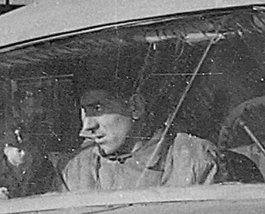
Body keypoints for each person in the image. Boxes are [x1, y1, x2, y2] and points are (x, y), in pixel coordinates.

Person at [60, 81, 219, 192]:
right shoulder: (77, 169)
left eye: (97, 108)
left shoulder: (192, 159)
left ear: (135, 107)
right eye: (84, 113)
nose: (87, 127)